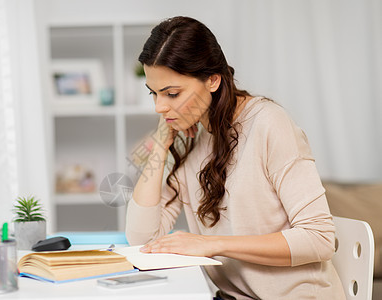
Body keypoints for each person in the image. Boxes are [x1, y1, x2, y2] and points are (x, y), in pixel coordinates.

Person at [125, 16, 345, 299]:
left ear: (213, 80)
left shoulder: (268, 124)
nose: (159, 106)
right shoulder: (186, 134)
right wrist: (159, 143)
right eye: (153, 93)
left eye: (172, 93)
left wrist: (213, 244)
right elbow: (142, 239)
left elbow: (320, 239)